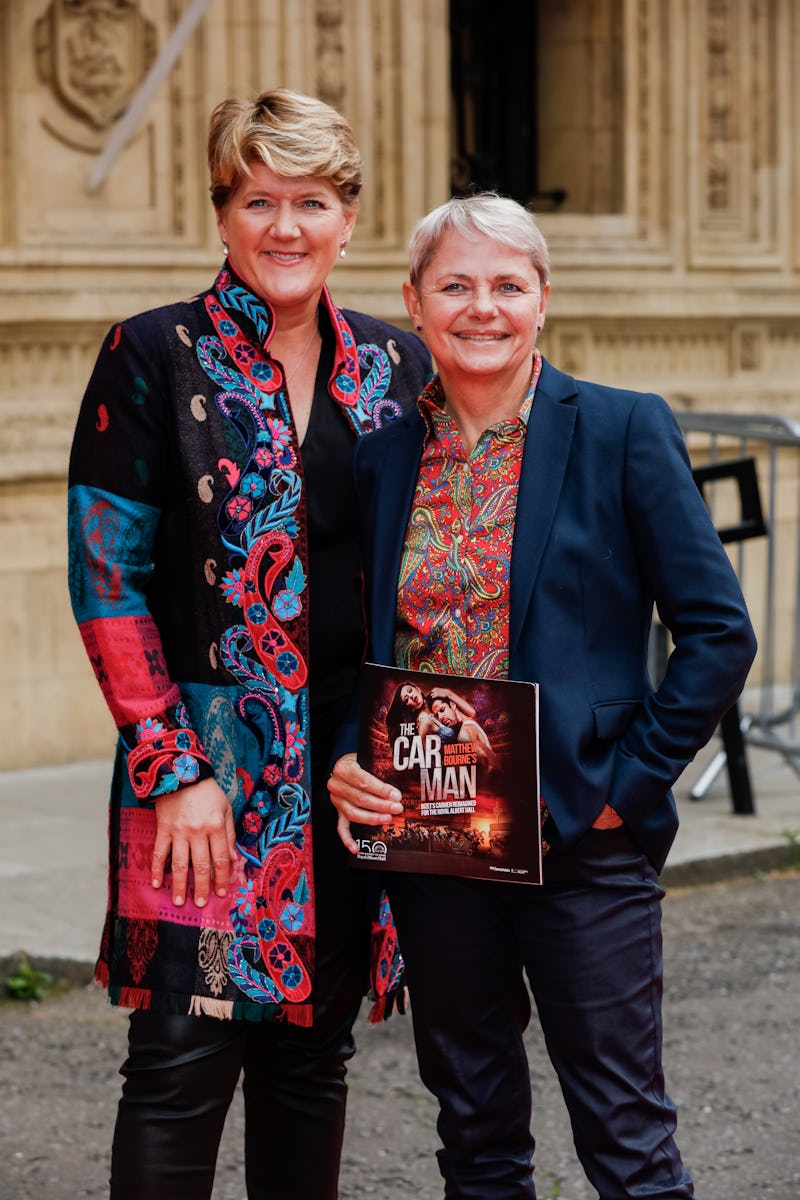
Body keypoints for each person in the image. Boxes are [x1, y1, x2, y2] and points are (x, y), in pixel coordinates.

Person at [328, 193, 756, 1199]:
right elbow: (367, 644)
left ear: (541, 301)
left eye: (505, 285)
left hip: (584, 833)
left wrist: (625, 790)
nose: (482, 307)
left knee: (624, 1135)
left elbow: (715, 632)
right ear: (413, 302)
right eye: (455, 286)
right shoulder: (385, 457)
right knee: (472, 1131)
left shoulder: (619, 429)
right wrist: (355, 757)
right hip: (437, 836)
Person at [67, 88, 430, 1200]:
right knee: (181, 1058)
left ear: (348, 219)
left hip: (348, 779)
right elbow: (106, 581)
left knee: (310, 1059)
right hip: (205, 784)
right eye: (258, 200)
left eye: (310, 201)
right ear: (223, 214)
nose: (285, 228)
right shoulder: (150, 358)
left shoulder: (394, 369)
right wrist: (173, 772)